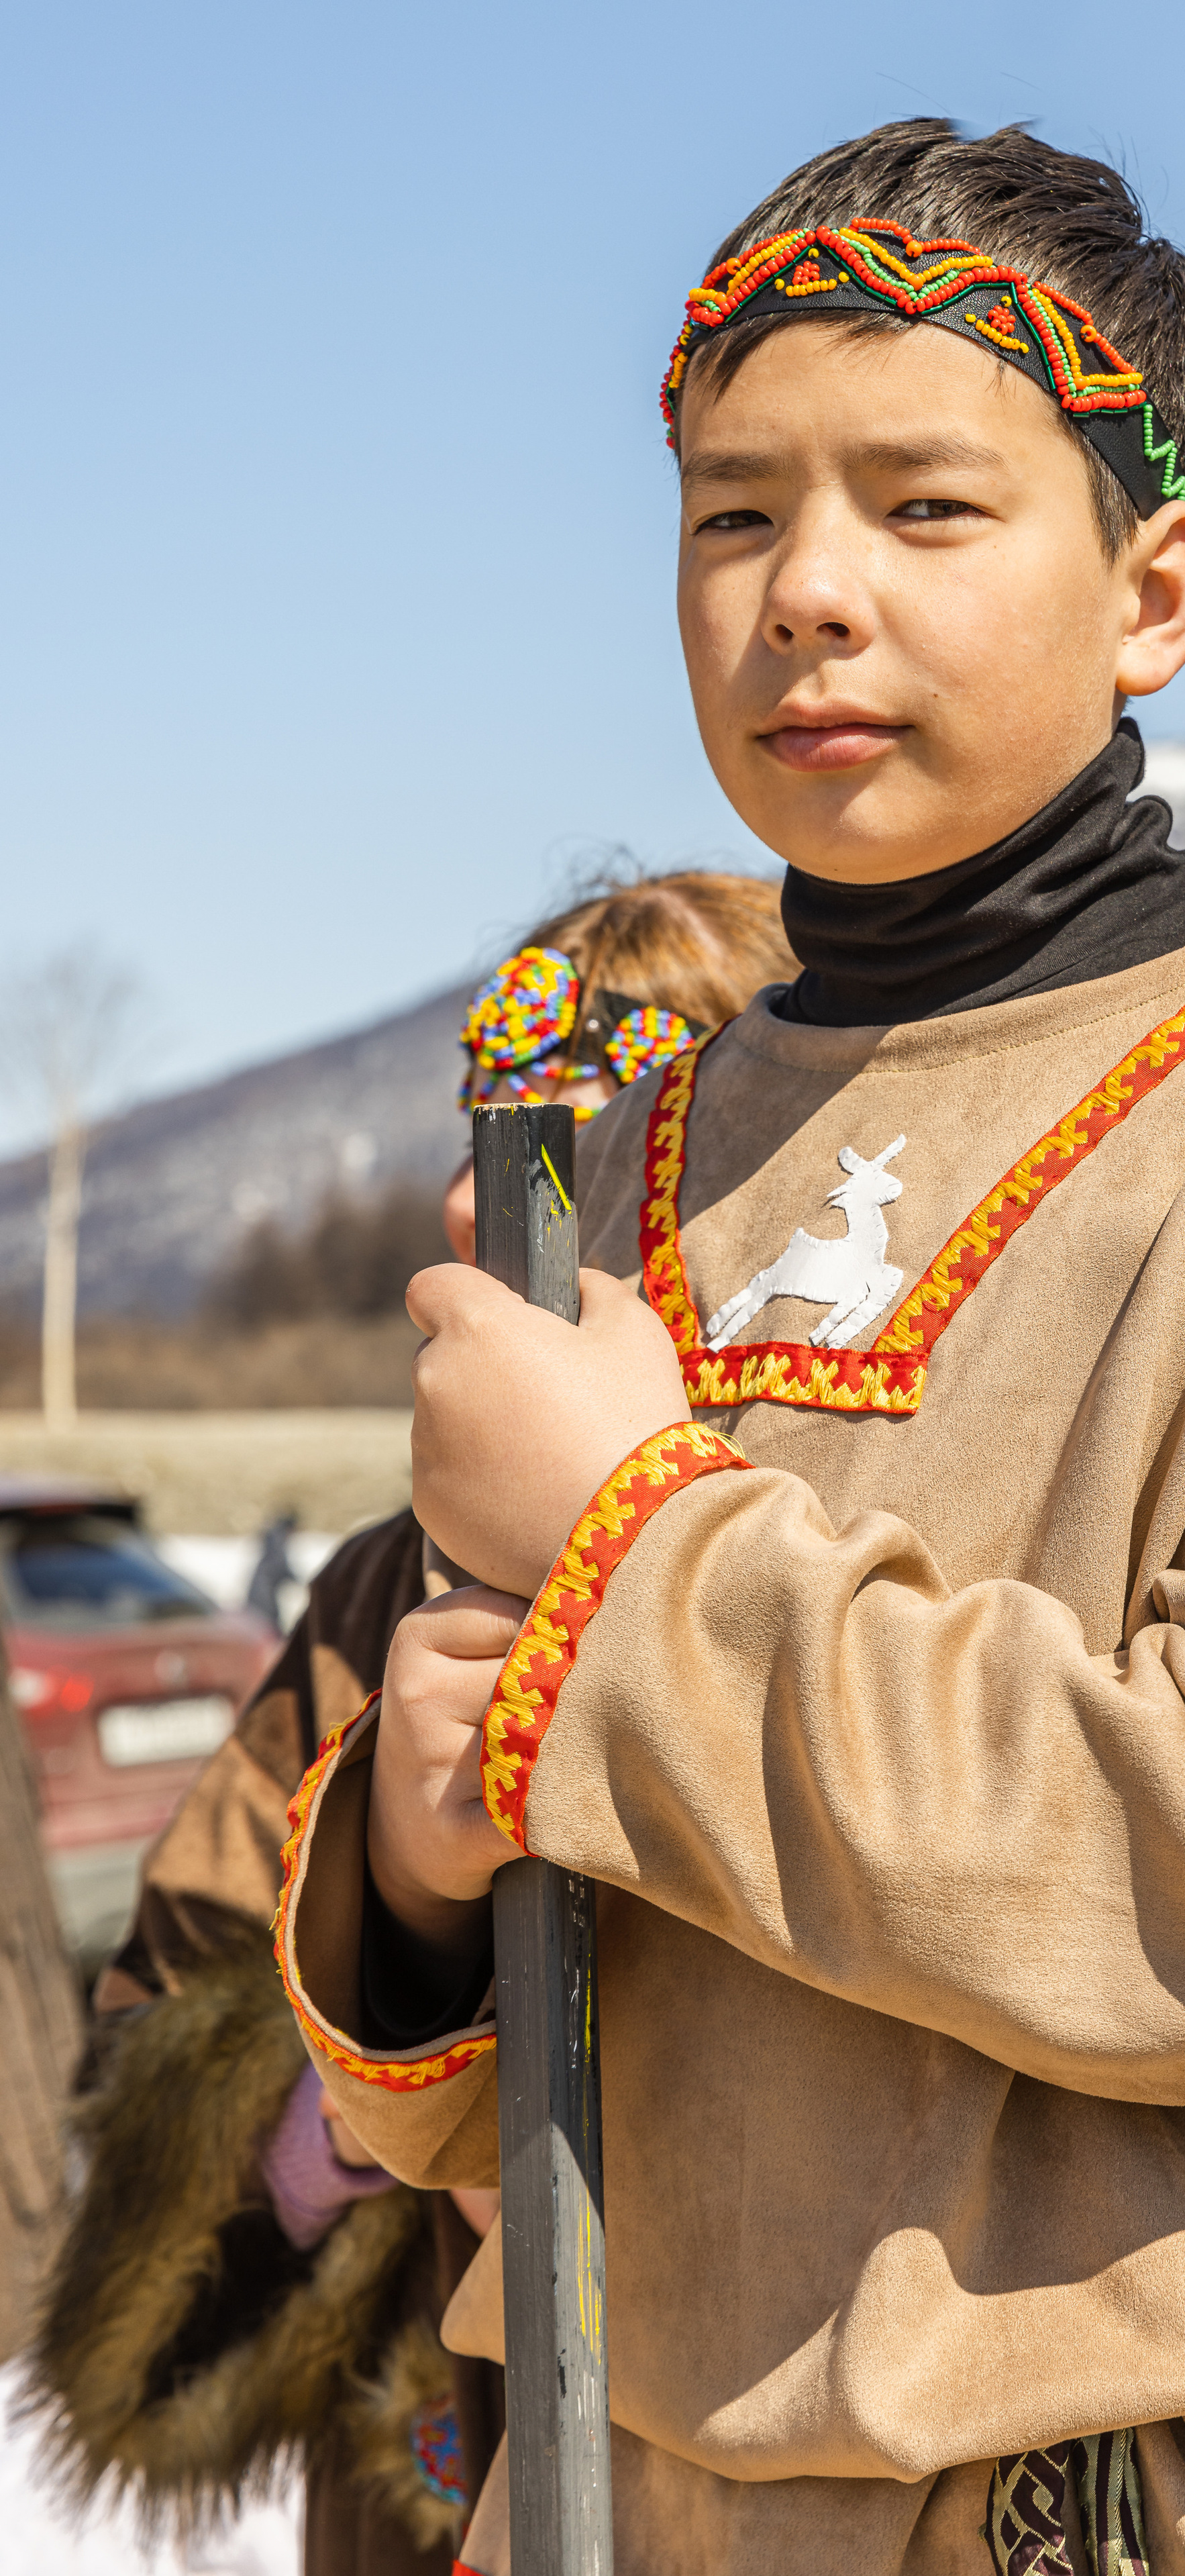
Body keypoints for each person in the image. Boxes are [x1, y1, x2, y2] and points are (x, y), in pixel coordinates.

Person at [275, 121, 1185, 2576]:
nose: (807, 592)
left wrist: (634, 1564)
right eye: (731, 515)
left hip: (1172, 2514)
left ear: (1156, 589)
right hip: (648, 2496)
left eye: (925, 509)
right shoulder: (637, 1145)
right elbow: (485, 2096)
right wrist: (411, 1842)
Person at [25, 871, 794, 2576]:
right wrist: (369, 2102)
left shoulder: (846, 1570)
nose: (470, 1203)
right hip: (439, 2483)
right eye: (481, 1136)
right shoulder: (386, 1584)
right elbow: (170, 2021)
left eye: (559, 1149)